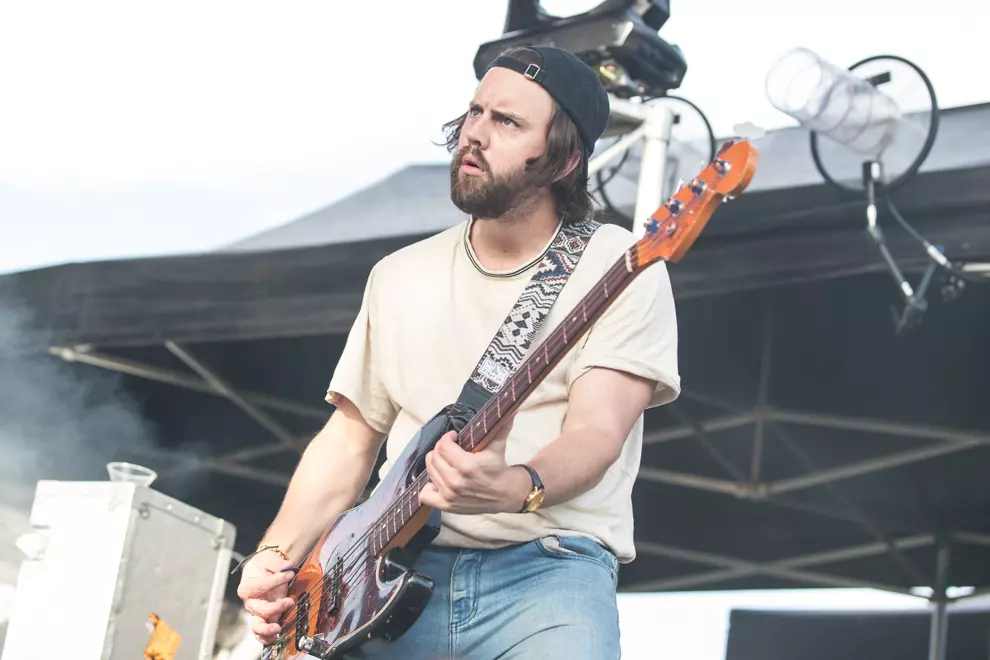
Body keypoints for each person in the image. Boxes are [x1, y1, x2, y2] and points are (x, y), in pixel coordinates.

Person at [236, 45, 680, 659]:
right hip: (384, 578)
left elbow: (598, 431)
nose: (475, 134)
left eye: (508, 122)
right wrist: (274, 555)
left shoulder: (622, 267)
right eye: (475, 112)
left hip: (547, 574)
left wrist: (516, 487)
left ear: (565, 158)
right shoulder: (397, 275)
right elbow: (349, 439)